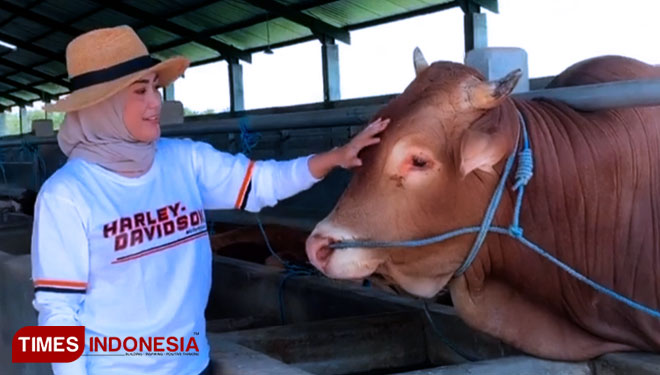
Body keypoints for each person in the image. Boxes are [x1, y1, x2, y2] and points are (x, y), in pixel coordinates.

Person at [31, 25, 389, 375]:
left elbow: (262, 183)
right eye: (140, 91)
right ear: (102, 105)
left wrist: (335, 158)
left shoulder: (184, 160)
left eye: (156, 88)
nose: (156, 102)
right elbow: (59, 310)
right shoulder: (67, 195)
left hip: (192, 365)